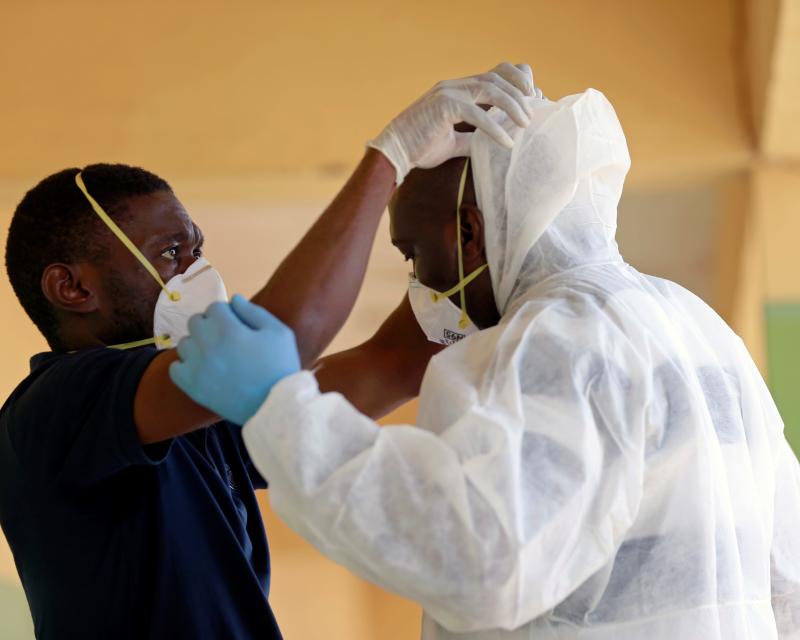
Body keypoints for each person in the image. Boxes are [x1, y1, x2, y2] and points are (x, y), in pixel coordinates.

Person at [171, 90, 800, 639]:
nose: (418, 285)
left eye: (412, 253)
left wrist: (280, 409)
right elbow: (793, 585)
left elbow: (483, 557)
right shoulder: (699, 328)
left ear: (469, 232)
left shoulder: (561, 335)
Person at [0, 63, 537, 639]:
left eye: (196, 247)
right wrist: (390, 159)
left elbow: (392, 364)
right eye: (172, 251)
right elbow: (281, 340)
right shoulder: (55, 407)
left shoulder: (191, 420)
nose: (197, 269)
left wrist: (481, 227)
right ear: (73, 288)